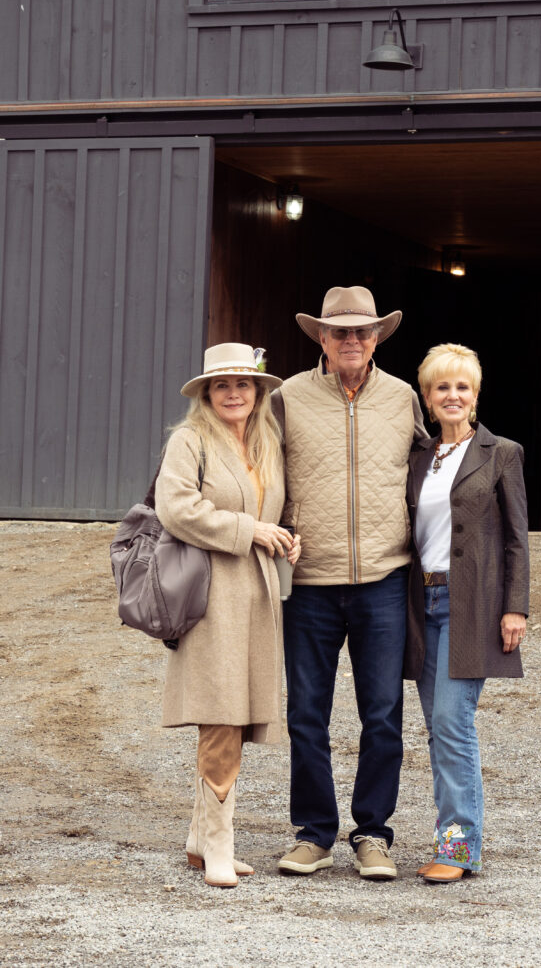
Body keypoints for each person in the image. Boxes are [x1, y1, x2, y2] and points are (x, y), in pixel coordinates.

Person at [269, 286, 426, 880]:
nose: (352, 341)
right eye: (341, 332)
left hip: (384, 578)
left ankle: (373, 834)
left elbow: (430, 469)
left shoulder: (402, 397)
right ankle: (314, 833)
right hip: (308, 581)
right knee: (307, 714)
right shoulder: (287, 397)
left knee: (382, 713)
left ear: (377, 337)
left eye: (363, 332)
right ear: (323, 340)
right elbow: (260, 467)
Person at [154, 343, 300, 887]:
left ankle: (200, 837)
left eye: (243, 384)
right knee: (220, 714)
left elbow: (273, 511)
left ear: (258, 391)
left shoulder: (265, 443)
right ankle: (218, 843)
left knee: (236, 716)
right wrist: (249, 531)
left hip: (257, 596)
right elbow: (177, 509)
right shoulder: (189, 440)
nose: (234, 393)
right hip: (212, 596)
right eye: (222, 386)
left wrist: (283, 538)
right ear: (208, 394)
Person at [404, 343, 529, 883]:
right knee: (437, 728)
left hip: (471, 606)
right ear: (428, 399)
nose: (452, 396)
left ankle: (458, 850)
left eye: (462, 387)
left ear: (475, 395)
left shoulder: (501, 453)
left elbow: (518, 541)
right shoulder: (418, 457)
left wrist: (515, 608)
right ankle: (451, 839)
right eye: (441, 387)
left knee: (454, 724)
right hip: (421, 602)